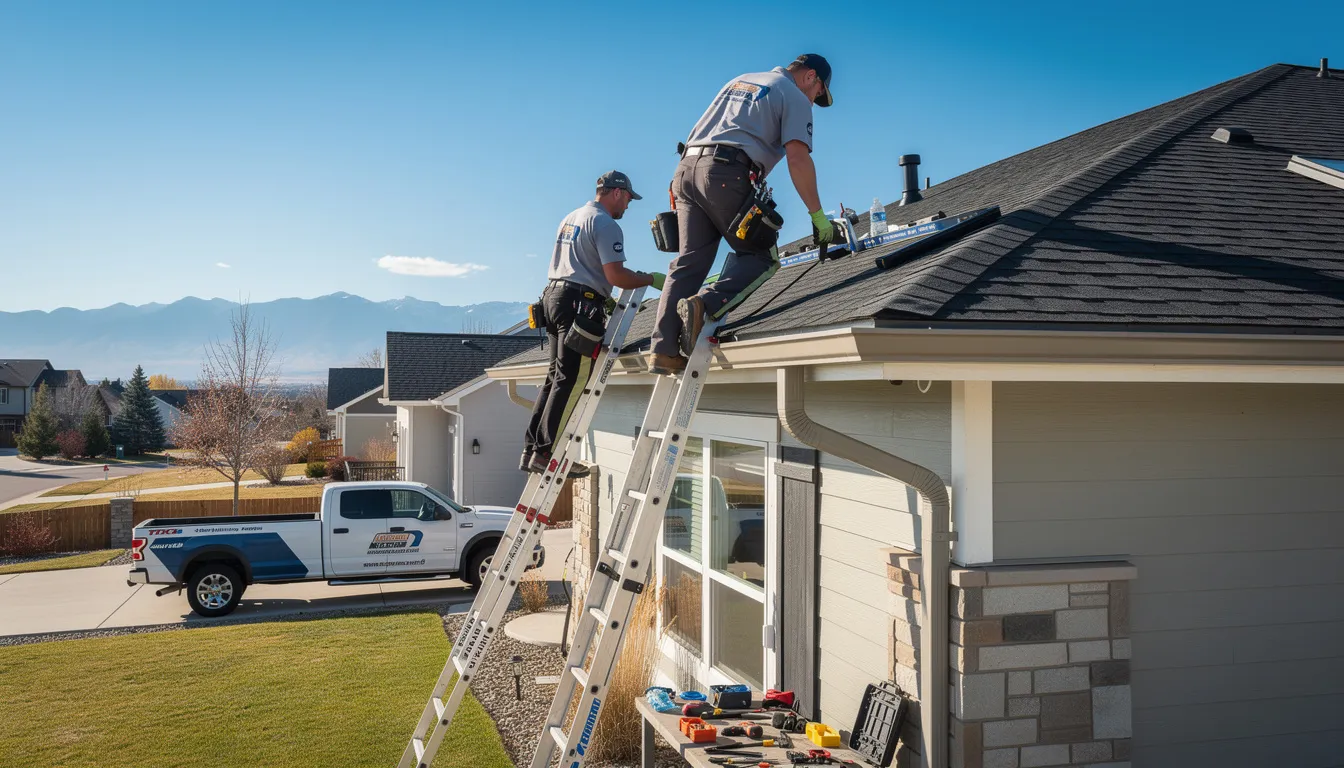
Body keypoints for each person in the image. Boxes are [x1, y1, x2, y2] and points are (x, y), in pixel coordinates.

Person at [649, 53, 835, 375]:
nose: (814, 100)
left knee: (689, 262)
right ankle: (702, 305)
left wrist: (680, 184)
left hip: (686, 172)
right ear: (811, 77)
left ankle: (663, 350)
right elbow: (798, 158)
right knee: (761, 256)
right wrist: (818, 216)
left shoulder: (741, 81)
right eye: (818, 93)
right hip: (725, 173)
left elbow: (700, 134)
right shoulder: (792, 95)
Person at [521, 171, 666, 474]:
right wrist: (649, 279)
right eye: (627, 199)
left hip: (554, 299)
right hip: (578, 305)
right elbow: (616, 276)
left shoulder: (571, 217)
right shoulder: (605, 224)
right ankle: (548, 453)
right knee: (571, 379)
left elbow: (582, 267)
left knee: (555, 377)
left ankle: (532, 449)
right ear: (616, 193)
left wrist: (603, 295)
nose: (627, 206)